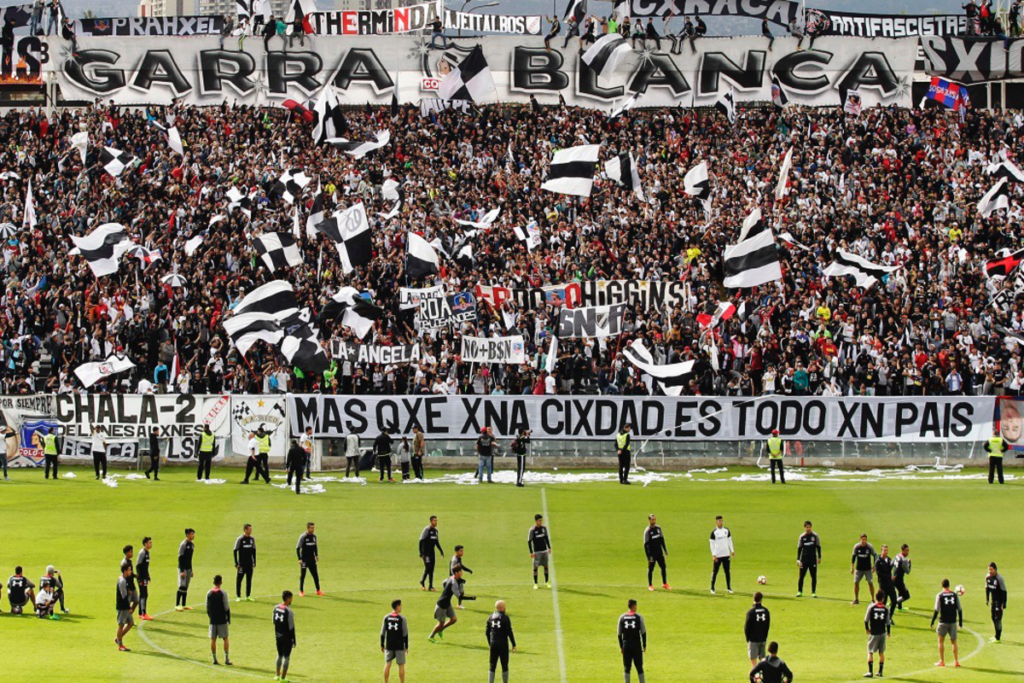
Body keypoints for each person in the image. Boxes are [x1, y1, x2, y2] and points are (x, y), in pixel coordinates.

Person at [930, 579, 962, 668]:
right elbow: (959, 609)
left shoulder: (940, 595)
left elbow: (936, 609)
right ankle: (956, 661)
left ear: (942, 585)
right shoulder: (955, 595)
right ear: (949, 585)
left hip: (943, 621)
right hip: (953, 622)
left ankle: (942, 661)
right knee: (954, 642)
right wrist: (960, 623)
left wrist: (932, 621)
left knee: (940, 641)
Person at [428, 567, 463, 642]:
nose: (461, 572)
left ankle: (441, 630)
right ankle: (431, 636)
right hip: (442, 604)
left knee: (454, 619)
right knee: (441, 623)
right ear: (456, 573)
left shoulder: (452, 578)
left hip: (447, 603)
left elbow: (444, 582)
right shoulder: (453, 582)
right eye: (460, 571)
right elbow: (458, 595)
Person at [486, 599, 517, 683]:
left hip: (493, 643)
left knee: (492, 665)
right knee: (504, 665)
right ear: (502, 608)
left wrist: (490, 643)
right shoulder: (505, 618)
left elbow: (487, 632)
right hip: (503, 644)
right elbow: (509, 632)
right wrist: (513, 644)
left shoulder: (490, 617)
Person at [205, 575, 233, 665]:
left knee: (213, 639)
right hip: (222, 619)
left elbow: (207, 607)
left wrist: (211, 616)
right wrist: (228, 618)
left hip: (213, 620)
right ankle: (226, 658)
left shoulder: (209, 593)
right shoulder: (223, 593)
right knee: (225, 638)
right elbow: (226, 607)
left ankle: (214, 659)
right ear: (221, 582)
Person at [617, 598, 646, 683]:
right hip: (636, 644)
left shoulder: (621, 617)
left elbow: (619, 634)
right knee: (639, 667)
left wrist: (621, 647)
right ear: (634, 606)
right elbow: (643, 632)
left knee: (627, 667)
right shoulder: (639, 617)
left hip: (626, 645)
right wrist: (644, 644)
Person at [864, 589, 891, 678]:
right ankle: (880, 672)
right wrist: (888, 633)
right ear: (883, 598)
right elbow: (888, 622)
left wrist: (867, 629)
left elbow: (866, 620)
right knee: (881, 652)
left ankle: (870, 671)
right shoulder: (886, 608)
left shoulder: (871, 607)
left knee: (870, 651)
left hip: (874, 633)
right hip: (882, 633)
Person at [381, 599, 409, 683]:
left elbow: (382, 632)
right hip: (399, 645)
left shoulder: (386, 617)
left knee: (387, 664)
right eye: (400, 605)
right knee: (401, 665)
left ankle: (385, 682)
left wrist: (382, 644)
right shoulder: (402, 618)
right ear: (398, 606)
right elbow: (405, 633)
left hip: (389, 645)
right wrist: (406, 646)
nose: (401, 607)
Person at [273, 591, 297, 681]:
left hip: (277, 635)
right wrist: (293, 640)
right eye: (291, 598)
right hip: (286, 637)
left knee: (279, 655)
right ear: (288, 599)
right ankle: (283, 678)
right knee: (286, 657)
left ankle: (277, 675)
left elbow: (273, 621)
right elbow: (291, 627)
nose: (291, 600)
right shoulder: (289, 611)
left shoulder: (275, 607)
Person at [644, 514, 670, 591]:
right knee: (651, 569)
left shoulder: (658, 528)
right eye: (652, 519)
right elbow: (645, 545)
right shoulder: (647, 531)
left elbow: (662, 540)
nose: (654, 521)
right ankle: (650, 585)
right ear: (649, 520)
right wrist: (648, 557)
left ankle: (665, 583)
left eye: (654, 519)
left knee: (663, 567)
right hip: (652, 553)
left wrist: (665, 550)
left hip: (659, 552)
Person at [710, 515, 735, 594]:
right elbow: (712, 544)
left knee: (727, 571)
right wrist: (713, 554)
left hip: (726, 554)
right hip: (718, 555)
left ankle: (729, 587)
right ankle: (712, 588)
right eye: (719, 521)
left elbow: (729, 541)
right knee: (715, 572)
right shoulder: (714, 533)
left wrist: (732, 550)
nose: (720, 522)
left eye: (721, 521)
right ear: (716, 522)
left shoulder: (726, 531)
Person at [745, 592, 770, 667]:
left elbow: (747, 627)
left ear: (753, 599)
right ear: (761, 600)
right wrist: (765, 636)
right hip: (762, 637)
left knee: (753, 658)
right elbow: (767, 625)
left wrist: (748, 638)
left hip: (753, 639)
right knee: (762, 658)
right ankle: (763, 673)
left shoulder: (751, 612)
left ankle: (755, 674)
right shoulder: (766, 611)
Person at [796, 520, 821, 597]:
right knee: (801, 576)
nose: (808, 529)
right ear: (804, 528)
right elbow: (799, 548)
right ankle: (800, 591)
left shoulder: (815, 536)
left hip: (813, 559)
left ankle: (813, 592)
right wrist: (798, 559)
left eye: (809, 527)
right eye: (807, 527)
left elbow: (818, 547)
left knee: (813, 576)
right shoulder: (802, 537)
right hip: (804, 559)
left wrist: (819, 556)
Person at [851, 534, 878, 605]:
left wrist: (874, 566)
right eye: (863, 540)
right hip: (859, 569)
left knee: (870, 583)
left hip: (867, 569)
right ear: (860, 540)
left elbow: (875, 555)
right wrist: (852, 567)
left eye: (865, 540)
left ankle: (873, 599)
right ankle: (856, 599)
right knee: (856, 582)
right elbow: (853, 557)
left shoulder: (869, 547)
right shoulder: (856, 547)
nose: (864, 541)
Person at [297, 522, 322, 596]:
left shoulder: (314, 536)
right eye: (311, 528)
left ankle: (318, 590)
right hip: (304, 559)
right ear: (307, 528)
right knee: (303, 575)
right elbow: (297, 548)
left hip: (312, 559)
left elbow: (315, 546)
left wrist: (316, 555)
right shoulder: (303, 536)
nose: (313, 529)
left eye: (313, 527)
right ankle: (301, 591)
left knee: (315, 574)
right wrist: (299, 558)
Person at [419, 516, 444, 591]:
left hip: (432, 553)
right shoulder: (427, 529)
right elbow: (421, 541)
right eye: (434, 521)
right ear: (431, 521)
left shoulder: (436, 531)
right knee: (428, 568)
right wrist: (421, 552)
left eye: (436, 521)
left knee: (432, 569)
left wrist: (441, 551)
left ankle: (430, 586)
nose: (435, 522)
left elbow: (436, 542)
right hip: (426, 553)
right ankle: (422, 582)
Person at [875, 545, 899, 622]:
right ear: (881, 551)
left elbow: (891, 568)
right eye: (884, 550)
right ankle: (882, 618)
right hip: (883, 584)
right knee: (883, 602)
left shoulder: (889, 559)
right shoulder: (878, 561)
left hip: (890, 584)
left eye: (887, 550)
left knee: (894, 601)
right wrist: (890, 577)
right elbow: (879, 574)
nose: (886, 552)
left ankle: (889, 617)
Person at [234, 524, 257, 602]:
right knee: (239, 580)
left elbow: (254, 550)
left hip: (249, 563)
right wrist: (236, 563)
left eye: (251, 529)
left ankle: (248, 595)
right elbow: (235, 550)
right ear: (245, 530)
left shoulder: (252, 539)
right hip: (242, 563)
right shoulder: (240, 539)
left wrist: (254, 561)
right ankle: (238, 596)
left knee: (249, 579)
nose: (250, 531)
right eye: (249, 529)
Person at [528, 513, 552, 589]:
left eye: (541, 520)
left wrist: (549, 547)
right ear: (536, 521)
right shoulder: (532, 530)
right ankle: (535, 583)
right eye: (539, 521)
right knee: (535, 568)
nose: (540, 522)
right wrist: (531, 552)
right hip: (537, 552)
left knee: (546, 566)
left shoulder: (544, 528)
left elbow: (546, 538)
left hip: (544, 551)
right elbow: (529, 541)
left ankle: (546, 582)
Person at [115, 563, 136, 651]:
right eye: (129, 570)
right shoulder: (123, 581)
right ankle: (120, 645)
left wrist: (128, 591)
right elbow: (124, 597)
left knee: (131, 623)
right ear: (125, 571)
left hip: (125, 606)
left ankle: (118, 638)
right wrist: (129, 607)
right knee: (121, 625)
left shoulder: (123, 579)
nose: (130, 571)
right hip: (123, 607)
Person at [985, 562, 1007, 643]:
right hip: (993, 601)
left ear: (995, 569)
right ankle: (996, 635)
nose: (990, 571)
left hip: (999, 601)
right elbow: (987, 588)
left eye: (991, 569)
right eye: (988, 570)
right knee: (993, 618)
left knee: (998, 618)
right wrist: (987, 599)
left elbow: (1004, 591)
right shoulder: (987, 577)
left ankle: (998, 638)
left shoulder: (999, 578)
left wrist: (1004, 603)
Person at [176, 528, 196, 611]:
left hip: (188, 569)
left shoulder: (192, 545)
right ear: (187, 535)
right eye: (191, 534)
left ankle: (184, 604)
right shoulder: (183, 544)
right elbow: (180, 557)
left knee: (186, 586)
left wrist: (191, 570)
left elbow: (190, 559)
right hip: (183, 568)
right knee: (182, 586)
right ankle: (177, 604)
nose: (193, 535)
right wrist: (182, 571)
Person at [138, 537, 153, 620]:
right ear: (145, 544)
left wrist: (148, 576)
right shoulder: (142, 553)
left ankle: (140, 613)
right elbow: (138, 566)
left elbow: (145, 567)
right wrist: (140, 579)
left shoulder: (147, 553)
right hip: (142, 578)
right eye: (149, 542)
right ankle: (143, 613)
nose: (151, 544)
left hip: (144, 577)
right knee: (144, 594)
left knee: (143, 594)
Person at [893, 544, 911, 611]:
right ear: (902, 550)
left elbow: (892, 564)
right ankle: (894, 603)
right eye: (906, 551)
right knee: (906, 596)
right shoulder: (904, 560)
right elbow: (908, 571)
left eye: (908, 550)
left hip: (894, 577)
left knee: (900, 592)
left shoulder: (897, 556)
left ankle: (899, 607)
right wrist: (909, 563)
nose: (907, 552)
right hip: (899, 580)